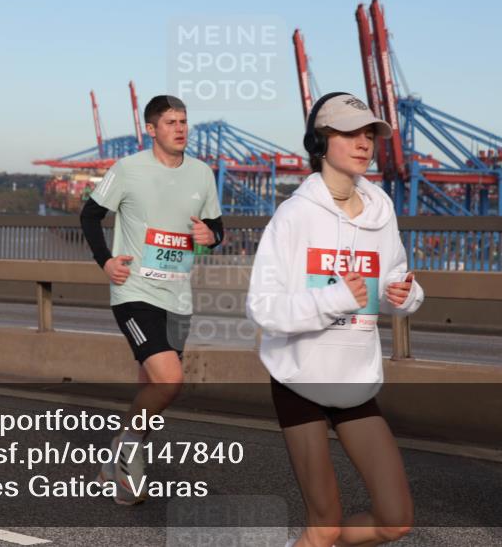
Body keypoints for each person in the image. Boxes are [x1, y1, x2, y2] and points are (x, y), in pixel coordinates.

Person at [246, 92, 424, 547]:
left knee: (395, 520)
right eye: (349, 133)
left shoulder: (382, 214)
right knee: (323, 526)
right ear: (319, 142)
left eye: (369, 134)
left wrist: (404, 295)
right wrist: (335, 298)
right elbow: (263, 307)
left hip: (355, 380)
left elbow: (396, 281)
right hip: (299, 378)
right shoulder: (294, 216)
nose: (364, 143)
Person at [79, 94, 224, 504]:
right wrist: (106, 261)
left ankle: (117, 465)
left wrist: (211, 237)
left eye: (184, 121)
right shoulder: (128, 169)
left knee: (152, 387)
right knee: (170, 380)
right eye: (171, 122)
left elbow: (216, 228)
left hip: (178, 295)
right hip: (135, 291)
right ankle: (125, 456)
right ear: (151, 129)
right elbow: (90, 215)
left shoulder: (202, 173)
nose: (180, 129)